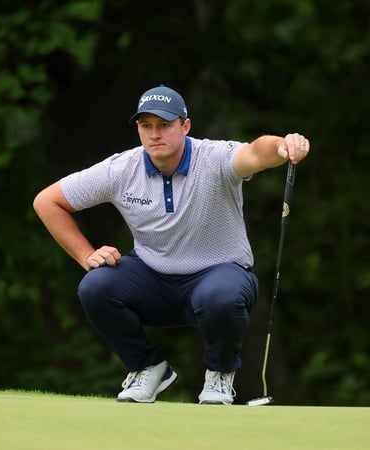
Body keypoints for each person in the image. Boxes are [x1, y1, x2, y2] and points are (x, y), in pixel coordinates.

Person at [33, 85, 309, 405]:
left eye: (164, 125)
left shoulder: (214, 158)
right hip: (154, 281)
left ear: (185, 126)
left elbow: (256, 152)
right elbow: (47, 202)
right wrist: (85, 255)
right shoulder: (122, 169)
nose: (154, 134)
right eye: (145, 126)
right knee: (95, 286)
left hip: (220, 277)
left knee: (220, 295)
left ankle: (219, 376)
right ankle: (149, 367)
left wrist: (281, 146)